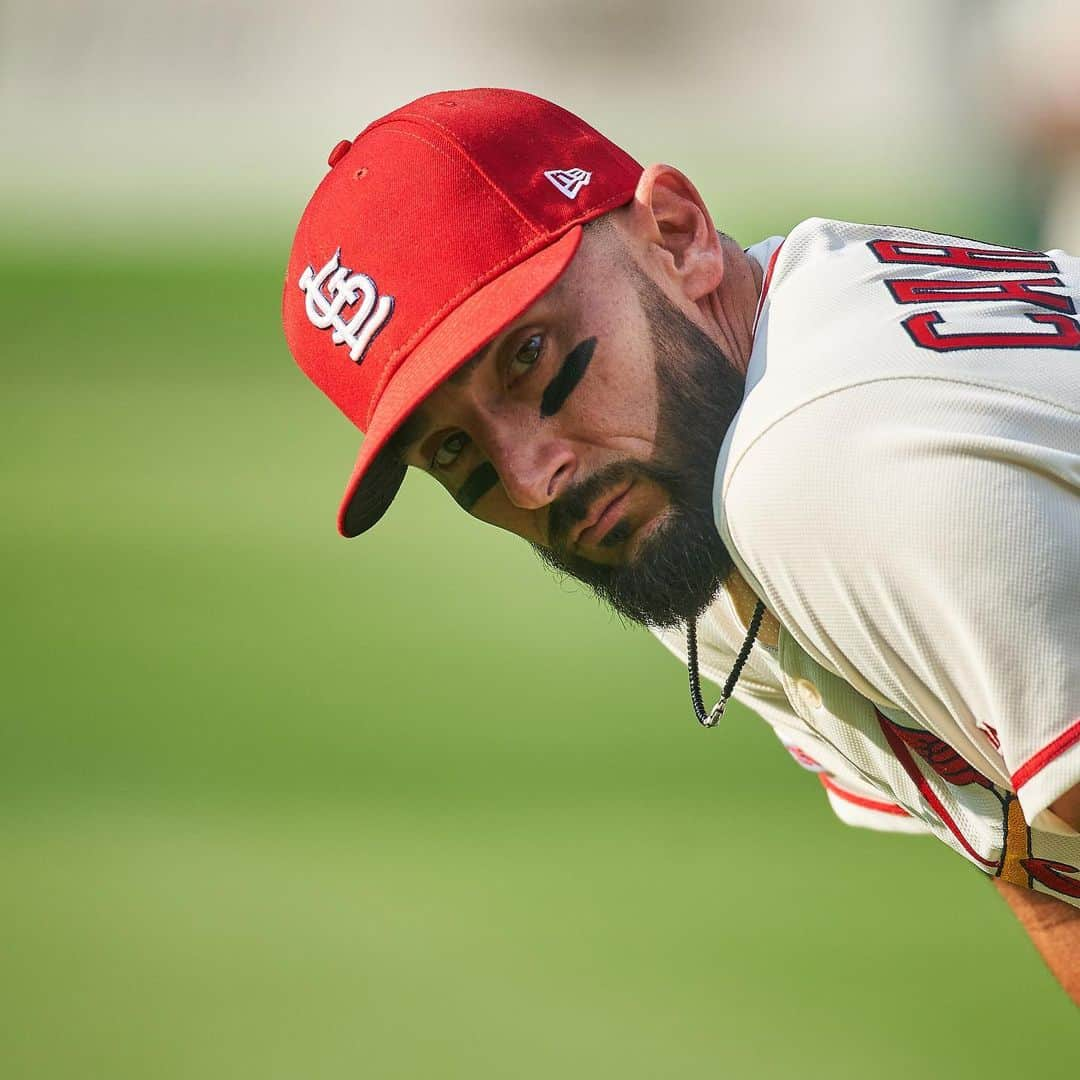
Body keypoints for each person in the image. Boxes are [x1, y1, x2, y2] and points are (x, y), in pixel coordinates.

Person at [282, 88, 1080, 999]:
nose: (534, 478)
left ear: (677, 232)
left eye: (529, 355)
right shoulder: (695, 474)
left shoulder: (815, 464)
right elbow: (1043, 871)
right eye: (456, 449)